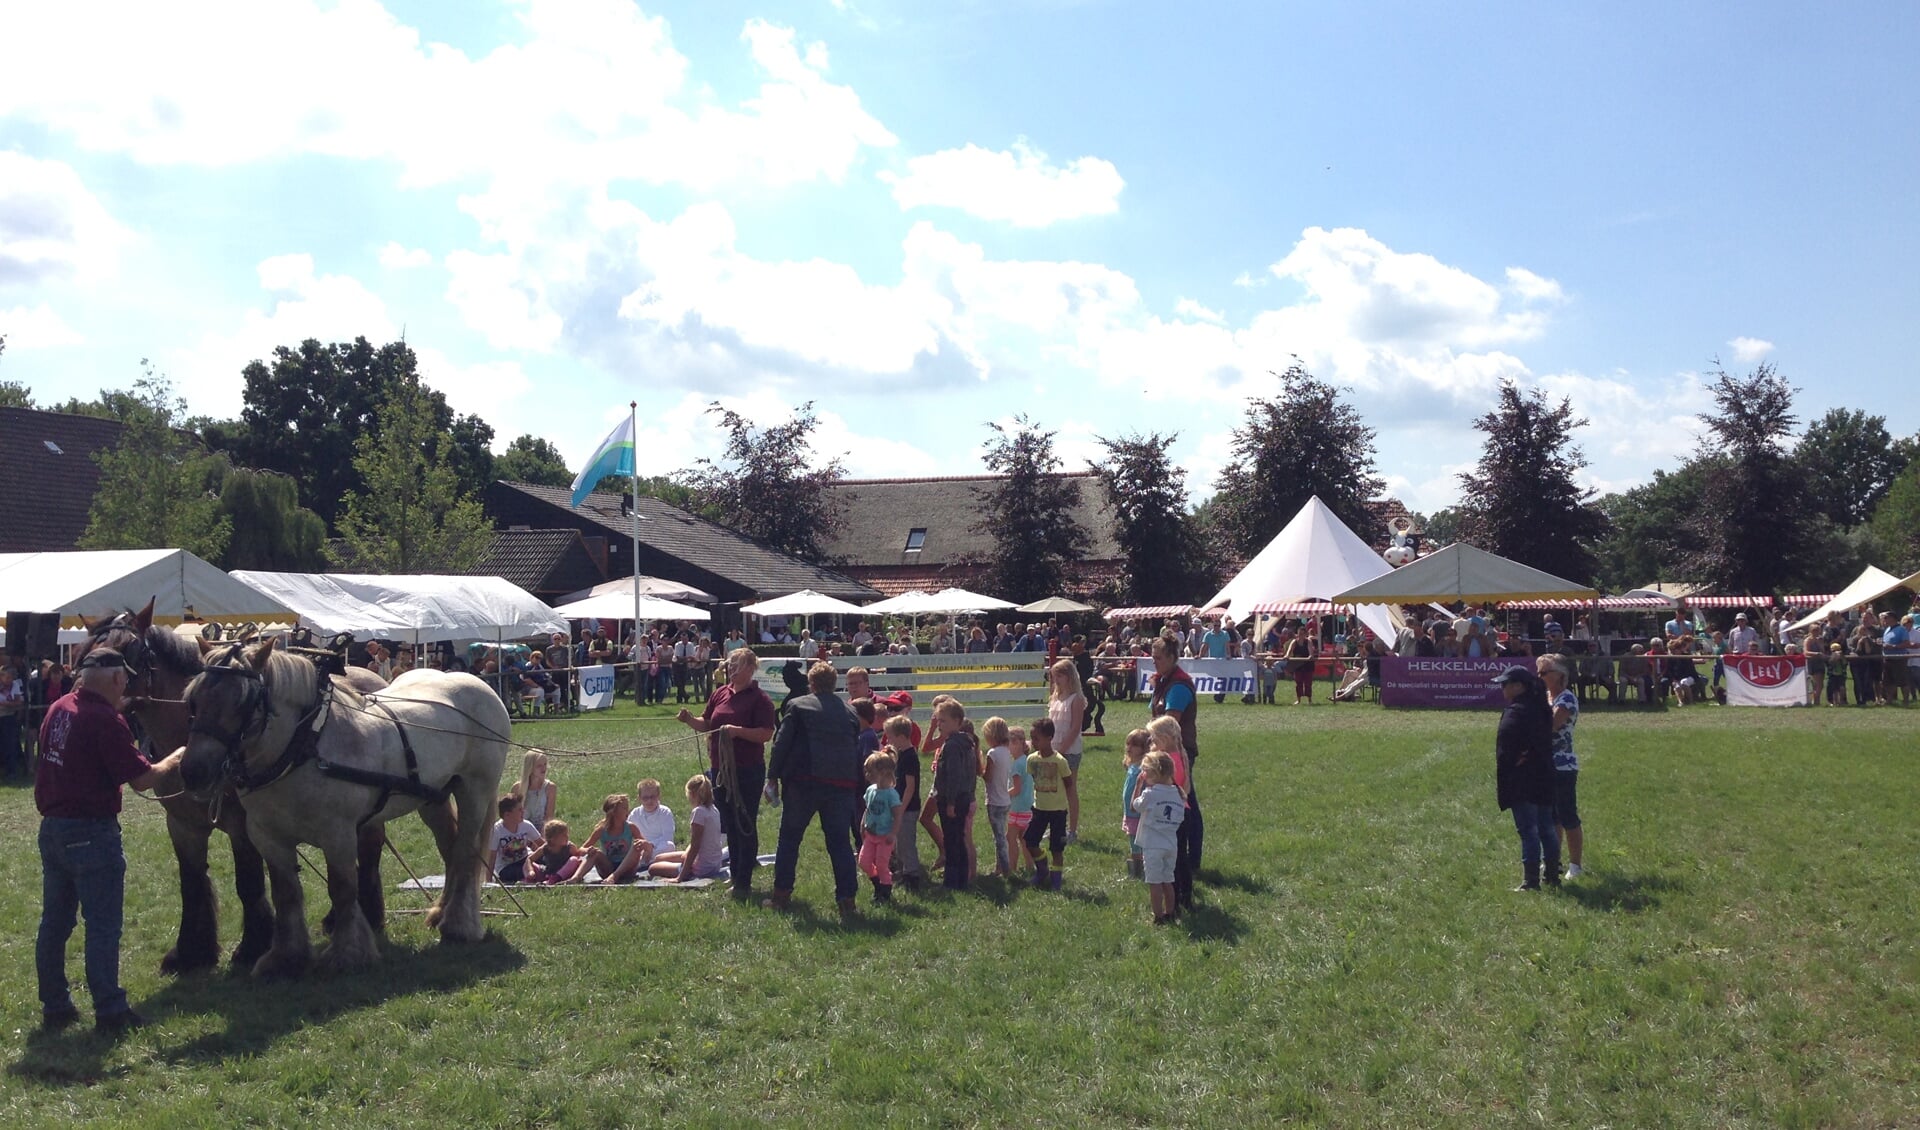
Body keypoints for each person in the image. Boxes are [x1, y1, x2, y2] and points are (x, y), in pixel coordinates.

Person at [35, 647, 185, 1032]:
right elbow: (142, 780)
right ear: (118, 679)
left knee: (55, 923)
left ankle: (55, 1005)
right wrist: (175, 757)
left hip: (53, 829)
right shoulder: (105, 720)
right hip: (91, 832)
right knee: (102, 925)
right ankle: (110, 1011)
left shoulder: (60, 707)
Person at [765, 662, 865, 916]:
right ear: (834, 684)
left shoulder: (797, 706)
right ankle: (847, 901)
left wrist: (772, 777)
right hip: (841, 784)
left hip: (804, 782)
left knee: (789, 839)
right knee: (840, 843)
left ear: (811, 683)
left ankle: (781, 895)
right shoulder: (850, 712)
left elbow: (781, 743)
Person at [676, 648, 776, 896]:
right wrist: (690, 720)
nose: (731, 669)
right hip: (720, 770)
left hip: (748, 770)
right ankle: (737, 874)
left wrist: (738, 731)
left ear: (751, 668)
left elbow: (766, 733)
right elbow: (708, 724)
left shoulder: (760, 699)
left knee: (745, 823)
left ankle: (744, 880)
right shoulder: (720, 693)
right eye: (730, 664)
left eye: (737, 665)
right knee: (729, 823)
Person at [1148, 634, 1203, 911]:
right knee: (1186, 801)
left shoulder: (1179, 685)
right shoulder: (1163, 680)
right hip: (1164, 750)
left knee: (1186, 802)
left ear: (1172, 658)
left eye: (1158, 658)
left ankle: (1190, 859)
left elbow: (1170, 723)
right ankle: (1186, 858)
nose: (1154, 662)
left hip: (1178, 752)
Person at [1493, 665, 1559, 891]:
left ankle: (1531, 881)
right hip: (1544, 773)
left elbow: (1508, 742)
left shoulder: (1517, 711)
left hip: (1523, 777)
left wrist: (1514, 761)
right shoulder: (1542, 707)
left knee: (1528, 829)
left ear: (1518, 687)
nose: (1502, 688)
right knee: (1546, 827)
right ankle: (1552, 875)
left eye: (1505, 684)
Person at [1538, 654, 1585, 880]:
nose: (1540, 677)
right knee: (1550, 817)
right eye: (1538, 672)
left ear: (1559, 675)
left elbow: (1551, 726)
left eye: (1544, 672)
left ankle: (1575, 866)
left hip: (1563, 765)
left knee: (1567, 816)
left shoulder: (1566, 700)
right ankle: (1552, 860)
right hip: (1545, 764)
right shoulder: (1545, 696)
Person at [1132, 751, 1186, 925]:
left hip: (1152, 845)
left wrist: (1138, 785)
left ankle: (1158, 916)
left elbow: (1135, 807)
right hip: (1171, 845)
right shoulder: (1178, 793)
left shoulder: (1150, 793)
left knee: (1154, 883)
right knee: (1168, 880)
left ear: (1153, 774)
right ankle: (1170, 912)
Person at [1023, 717, 1075, 891]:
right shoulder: (1031, 760)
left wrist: (1068, 803)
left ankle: (1056, 881)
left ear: (1049, 738)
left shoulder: (1060, 761)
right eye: (1032, 738)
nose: (1034, 742)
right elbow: (1032, 778)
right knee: (1030, 841)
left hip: (1058, 811)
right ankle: (1042, 869)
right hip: (1039, 809)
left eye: (1037, 738)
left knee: (1057, 848)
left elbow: (1069, 783)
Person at [932, 698, 979, 891]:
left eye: (943, 721)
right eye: (938, 720)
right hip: (964, 796)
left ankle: (952, 881)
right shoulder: (967, 743)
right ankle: (962, 878)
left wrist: (950, 802)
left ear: (957, 721)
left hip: (952, 799)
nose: (939, 724)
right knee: (958, 838)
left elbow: (954, 775)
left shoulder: (952, 745)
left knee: (952, 841)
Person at [651, 775, 726, 882]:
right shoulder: (714, 810)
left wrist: (680, 876)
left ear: (692, 794)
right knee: (658, 858)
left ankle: (683, 869)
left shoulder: (699, 812)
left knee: (652, 868)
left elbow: (695, 846)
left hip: (702, 868)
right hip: (714, 863)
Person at [881, 714, 927, 889]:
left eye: (890, 736)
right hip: (900, 807)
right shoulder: (901, 754)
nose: (888, 740)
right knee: (899, 841)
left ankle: (912, 874)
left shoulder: (910, 756)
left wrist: (901, 807)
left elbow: (910, 786)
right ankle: (904, 871)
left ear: (901, 737)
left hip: (908, 809)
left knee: (907, 842)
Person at [1045, 660, 1085, 842]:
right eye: (1054, 677)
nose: (1056, 680)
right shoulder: (1055, 698)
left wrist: (1061, 750)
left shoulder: (1076, 699)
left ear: (1069, 677)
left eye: (1059, 676)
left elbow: (1075, 728)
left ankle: (1072, 830)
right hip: (1053, 748)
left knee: (1069, 789)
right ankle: (1055, 827)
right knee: (1052, 790)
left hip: (1069, 750)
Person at [857, 752, 903, 902]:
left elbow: (897, 815)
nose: (867, 774)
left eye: (870, 771)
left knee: (882, 863)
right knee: (863, 861)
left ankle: (885, 891)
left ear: (883, 773)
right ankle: (877, 883)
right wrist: (863, 824)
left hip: (885, 836)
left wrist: (893, 833)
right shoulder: (870, 790)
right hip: (871, 834)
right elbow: (868, 809)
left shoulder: (891, 794)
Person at [572, 794, 647, 884]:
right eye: (624, 808)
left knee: (637, 847)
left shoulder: (631, 827)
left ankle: (615, 876)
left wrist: (644, 845)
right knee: (595, 853)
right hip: (608, 868)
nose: (628, 811)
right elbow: (580, 850)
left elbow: (646, 845)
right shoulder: (601, 829)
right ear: (614, 812)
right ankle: (576, 878)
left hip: (627, 869)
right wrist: (588, 850)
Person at [980, 717, 1014, 880]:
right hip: (1005, 799)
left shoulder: (992, 753)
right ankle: (999, 867)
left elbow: (988, 776)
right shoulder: (1007, 751)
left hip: (994, 801)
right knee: (1000, 834)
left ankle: (1006, 869)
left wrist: (979, 767)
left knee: (999, 838)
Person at [487, 794, 544, 884]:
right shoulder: (497, 831)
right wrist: (489, 881)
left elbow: (542, 844)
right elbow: (492, 857)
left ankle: (534, 875)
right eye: (519, 810)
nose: (523, 812)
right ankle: (535, 875)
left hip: (526, 859)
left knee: (544, 861)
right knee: (521, 871)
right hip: (507, 867)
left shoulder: (526, 825)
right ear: (507, 815)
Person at [1005, 725, 1034, 877]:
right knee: (1025, 840)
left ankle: (1012, 868)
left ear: (1016, 743)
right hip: (1028, 806)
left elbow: (1016, 788)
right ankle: (1030, 866)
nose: (1007, 747)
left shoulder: (1016, 765)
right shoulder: (1027, 760)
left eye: (1008, 743)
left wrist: (1004, 794)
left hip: (1016, 808)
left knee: (1011, 838)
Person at [1120, 729, 1149, 879]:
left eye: (1135, 745)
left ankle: (1141, 870)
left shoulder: (1144, 768)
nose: (1129, 748)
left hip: (1139, 813)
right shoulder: (1132, 766)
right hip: (1130, 811)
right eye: (1128, 744)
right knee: (1133, 840)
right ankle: (1136, 869)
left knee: (1139, 842)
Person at [526, 820, 585, 885]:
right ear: (552, 838)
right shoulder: (546, 848)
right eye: (564, 835)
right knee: (531, 864)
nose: (567, 837)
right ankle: (530, 880)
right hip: (549, 872)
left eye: (567, 834)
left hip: (565, 873)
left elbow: (578, 858)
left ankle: (555, 879)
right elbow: (530, 859)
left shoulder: (569, 847)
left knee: (574, 860)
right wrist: (530, 871)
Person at [629, 777, 676, 858]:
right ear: (639, 798)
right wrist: (642, 846)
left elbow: (668, 837)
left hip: (657, 847)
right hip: (641, 849)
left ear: (659, 796)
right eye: (645, 798)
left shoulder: (665, 812)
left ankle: (643, 860)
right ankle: (646, 860)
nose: (649, 801)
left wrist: (650, 846)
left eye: (652, 797)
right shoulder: (635, 814)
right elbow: (628, 834)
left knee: (670, 846)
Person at [513, 749, 558, 829]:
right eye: (539, 766)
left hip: (541, 832)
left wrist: (541, 839)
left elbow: (549, 818)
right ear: (530, 767)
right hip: (521, 831)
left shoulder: (550, 788)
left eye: (545, 764)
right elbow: (512, 815)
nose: (543, 768)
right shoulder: (517, 788)